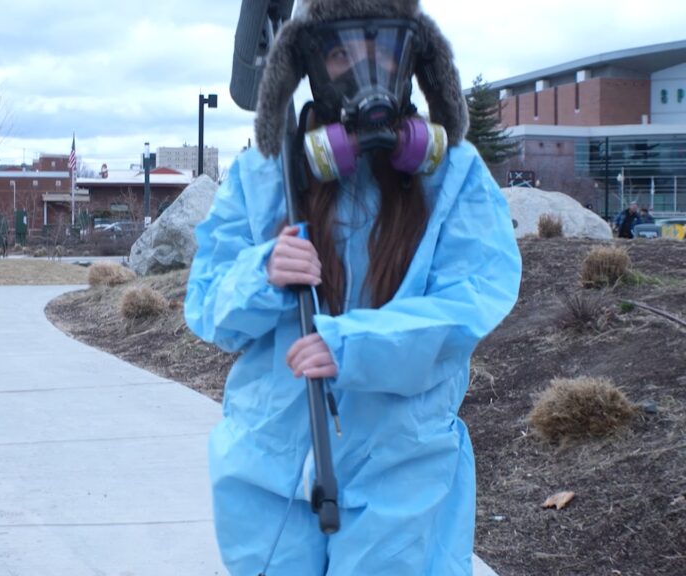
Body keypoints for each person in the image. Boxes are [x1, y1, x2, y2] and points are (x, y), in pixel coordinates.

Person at [184, 1, 522, 574]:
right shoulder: (263, 177)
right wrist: (261, 274)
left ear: (414, 59)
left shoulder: (454, 176)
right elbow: (206, 305)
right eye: (342, 52)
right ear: (310, 62)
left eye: (383, 49)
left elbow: (474, 299)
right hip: (269, 465)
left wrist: (354, 345)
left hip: (402, 467)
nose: (366, 70)